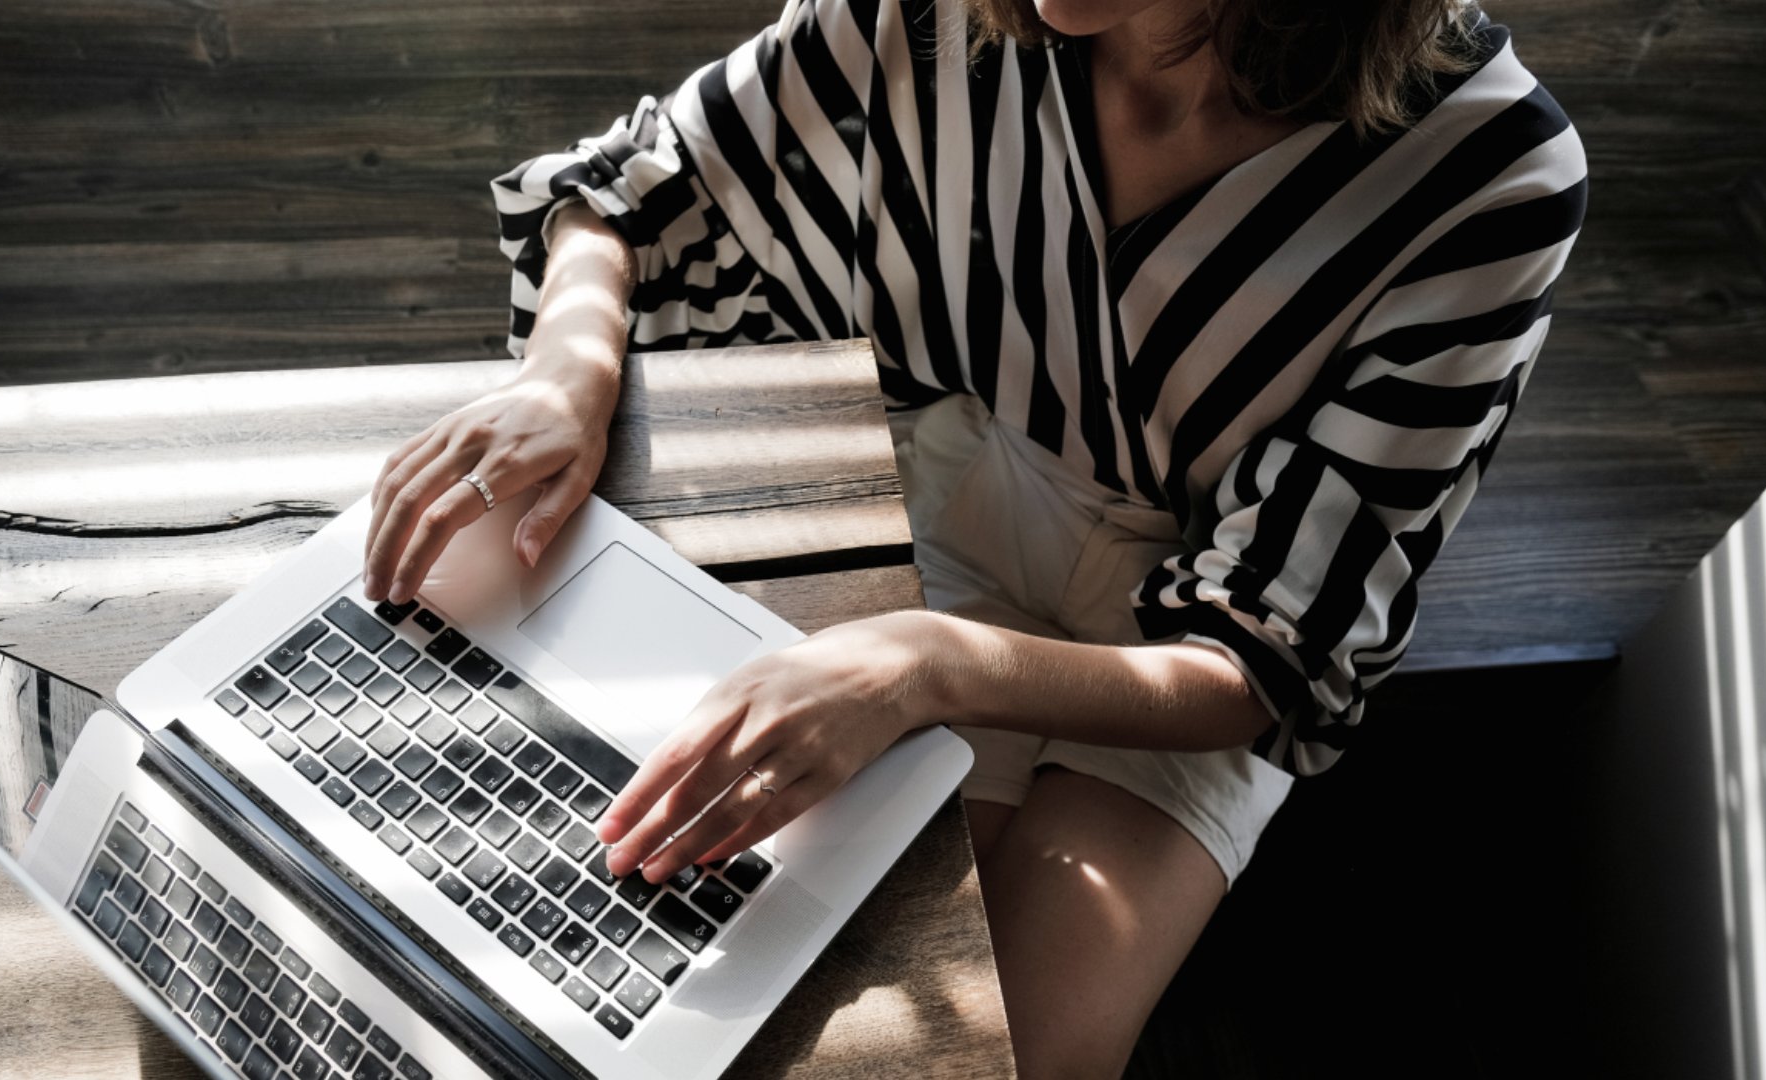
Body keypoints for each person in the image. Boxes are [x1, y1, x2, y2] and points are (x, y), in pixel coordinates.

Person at [362, 0, 1586, 1072]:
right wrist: (566, 367)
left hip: (1186, 644)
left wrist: (928, 666)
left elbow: (1259, 663)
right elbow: (639, 181)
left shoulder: (1493, 172)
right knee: (773, 986)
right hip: (929, 495)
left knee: (1015, 1056)